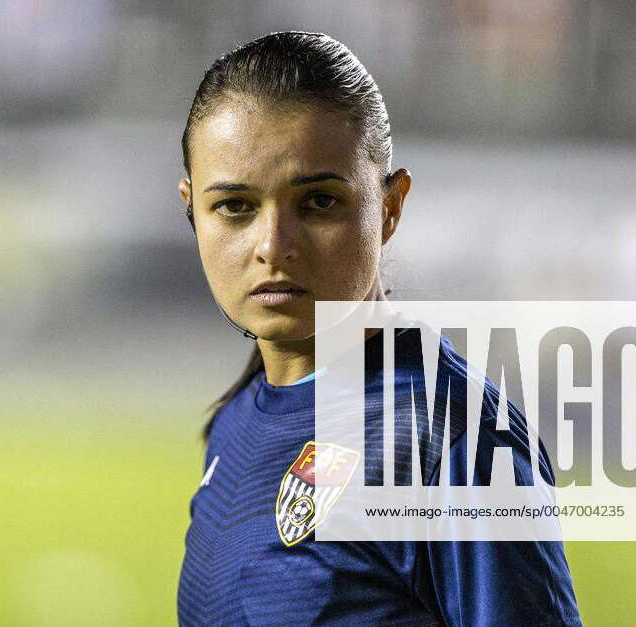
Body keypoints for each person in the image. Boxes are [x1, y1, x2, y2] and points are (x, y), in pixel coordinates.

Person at [176, 32, 582, 626]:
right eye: (235, 207)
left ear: (389, 208)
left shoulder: (452, 441)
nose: (273, 246)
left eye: (318, 202)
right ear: (192, 210)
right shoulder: (237, 420)